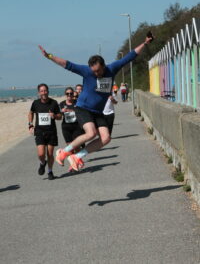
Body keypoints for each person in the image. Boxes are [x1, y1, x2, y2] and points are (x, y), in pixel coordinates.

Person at [38, 33, 153, 171]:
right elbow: (67, 64)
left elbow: (130, 56)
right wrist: (50, 56)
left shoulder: (112, 69)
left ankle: (77, 156)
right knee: (91, 133)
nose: (96, 74)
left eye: (98, 71)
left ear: (103, 66)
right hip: (83, 108)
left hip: (98, 111)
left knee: (106, 138)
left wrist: (145, 43)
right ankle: (64, 152)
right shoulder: (87, 71)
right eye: (94, 71)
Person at [28, 83, 62, 180]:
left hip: (51, 132)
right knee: (41, 154)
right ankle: (43, 163)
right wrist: (30, 124)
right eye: (42, 91)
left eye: (45, 90)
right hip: (39, 132)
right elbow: (31, 113)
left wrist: (54, 116)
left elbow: (60, 116)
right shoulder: (35, 103)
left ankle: (50, 171)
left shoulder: (54, 103)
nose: (44, 93)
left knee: (50, 154)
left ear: (48, 91)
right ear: (39, 92)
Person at [59, 87, 84, 160]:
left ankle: (78, 160)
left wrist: (71, 110)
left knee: (76, 146)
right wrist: (61, 112)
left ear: (73, 94)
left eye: (71, 93)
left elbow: (82, 112)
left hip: (76, 127)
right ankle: (73, 163)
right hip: (66, 127)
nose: (69, 95)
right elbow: (59, 116)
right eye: (67, 93)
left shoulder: (77, 102)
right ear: (65, 94)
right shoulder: (62, 104)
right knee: (70, 148)